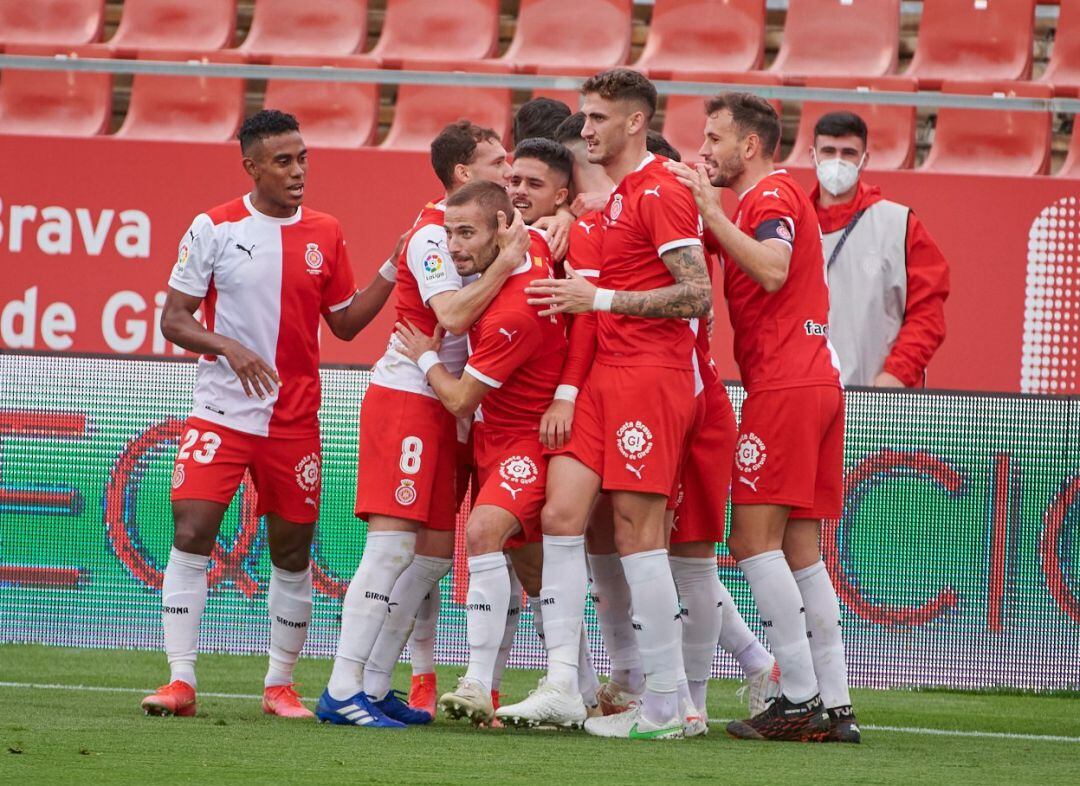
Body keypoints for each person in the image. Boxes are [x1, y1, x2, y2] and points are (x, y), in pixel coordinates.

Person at [142, 110, 395, 719]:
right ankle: (180, 681)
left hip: (294, 420)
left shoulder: (326, 233)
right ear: (251, 166)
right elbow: (173, 319)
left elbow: (344, 323)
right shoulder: (214, 227)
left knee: (291, 550)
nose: (298, 171)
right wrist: (228, 346)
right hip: (222, 413)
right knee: (191, 531)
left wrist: (393, 267)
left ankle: (280, 685)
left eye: (303, 158)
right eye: (283, 161)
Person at [499, 68, 712, 741]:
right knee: (560, 515)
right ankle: (565, 686)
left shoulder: (663, 190)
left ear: (635, 122)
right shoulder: (617, 199)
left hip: (650, 376)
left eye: (596, 118)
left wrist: (601, 299)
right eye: (585, 116)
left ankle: (668, 707)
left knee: (637, 536)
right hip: (601, 379)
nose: (584, 129)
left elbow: (697, 294)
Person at [316, 120, 531, 728]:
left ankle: (375, 685)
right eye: (497, 162)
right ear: (463, 173)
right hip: (408, 396)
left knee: (433, 557)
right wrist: (505, 265)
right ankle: (341, 690)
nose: (508, 170)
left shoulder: (489, 227)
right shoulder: (434, 234)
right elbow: (453, 316)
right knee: (389, 550)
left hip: (448, 403)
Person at [667, 92, 859, 743]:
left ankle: (798, 698)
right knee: (801, 550)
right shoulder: (761, 203)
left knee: (752, 542)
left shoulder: (770, 196)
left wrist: (712, 214)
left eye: (714, 138)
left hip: (785, 386)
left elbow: (772, 269)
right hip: (813, 382)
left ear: (749, 145)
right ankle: (834, 705)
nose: (705, 150)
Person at [392, 180, 568, 726]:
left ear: (501, 228)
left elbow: (460, 398)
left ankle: (475, 682)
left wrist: (425, 358)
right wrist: (563, 215)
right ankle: (579, 687)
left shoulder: (513, 312)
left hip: (528, 441)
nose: (453, 247)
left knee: (482, 532)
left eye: (466, 233)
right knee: (533, 574)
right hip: (500, 438)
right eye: (449, 233)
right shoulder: (535, 246)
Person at [809, 111, 949, 387]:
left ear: (865, 159)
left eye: (848, 153)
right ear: (812, 156)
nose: (837, 161)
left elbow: (927, 312)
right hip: (806, 393)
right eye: (828, 151)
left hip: (876, 393)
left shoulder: (900, 224)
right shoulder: (792, 223)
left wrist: (898, 373)